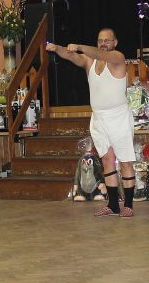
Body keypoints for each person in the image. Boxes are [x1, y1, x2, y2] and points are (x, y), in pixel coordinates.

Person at [46, 28, 137, 217]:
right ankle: (113, 205)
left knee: (126, 161)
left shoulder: (118, 58)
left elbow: (101, 54)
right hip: (98, 117)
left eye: (107, 40)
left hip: (118, 116)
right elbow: (71, 56)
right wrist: (57, 49)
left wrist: (80, 46)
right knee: (107, 160)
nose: (103, 44)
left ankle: (128, 205)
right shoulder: (90, 61)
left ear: (115, 42)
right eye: (100, 40)